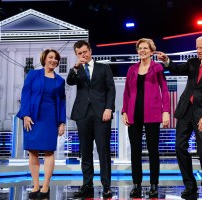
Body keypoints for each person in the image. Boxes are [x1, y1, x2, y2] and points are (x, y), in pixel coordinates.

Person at [157, 36, 202, 199]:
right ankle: (189, 185)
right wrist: (167, 60)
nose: (199, 50)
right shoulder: (193, 63)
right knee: (180, 147)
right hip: (185, 111)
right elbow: (176, 69)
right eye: (197, 47)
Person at [122, 38, 170, 198]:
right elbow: (127, 92)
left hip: (153, 113)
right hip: (133, 113)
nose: (142, 50)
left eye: (145, 48)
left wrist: (166, 111)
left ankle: (154, 185)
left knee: (152, 151)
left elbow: (164, 89)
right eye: (140, 48)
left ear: (151, 51)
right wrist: (124, 111)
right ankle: (136, 185)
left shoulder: (157, 68)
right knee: (135, 151)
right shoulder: (131, 69)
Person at [67, 40, 116, 198]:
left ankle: (106, 186)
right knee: (85, 151)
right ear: (76, 55)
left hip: (102, 114)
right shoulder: (77, 70)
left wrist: (109, 108)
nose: (83, 55)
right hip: (83, 115)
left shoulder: (104, 67)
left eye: (85, 52)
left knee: (104, 150)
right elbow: (70, 81)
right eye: (79, 53)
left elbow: (111, 89)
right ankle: (87, 184)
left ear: (90, 51)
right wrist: (75, 68)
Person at [17, 49, 66, 199]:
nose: (53, 60)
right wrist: (25, 114)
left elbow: (62, 102)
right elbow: (25, 94)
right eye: (51, 57)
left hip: (51, 117)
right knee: (33, 151)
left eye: (56, 58)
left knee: (49, 151)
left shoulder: (60, 80)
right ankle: (36, 185)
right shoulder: (33, 74)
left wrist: (62, 122)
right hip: (33, 117)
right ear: (44, 58)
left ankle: (45, 186)